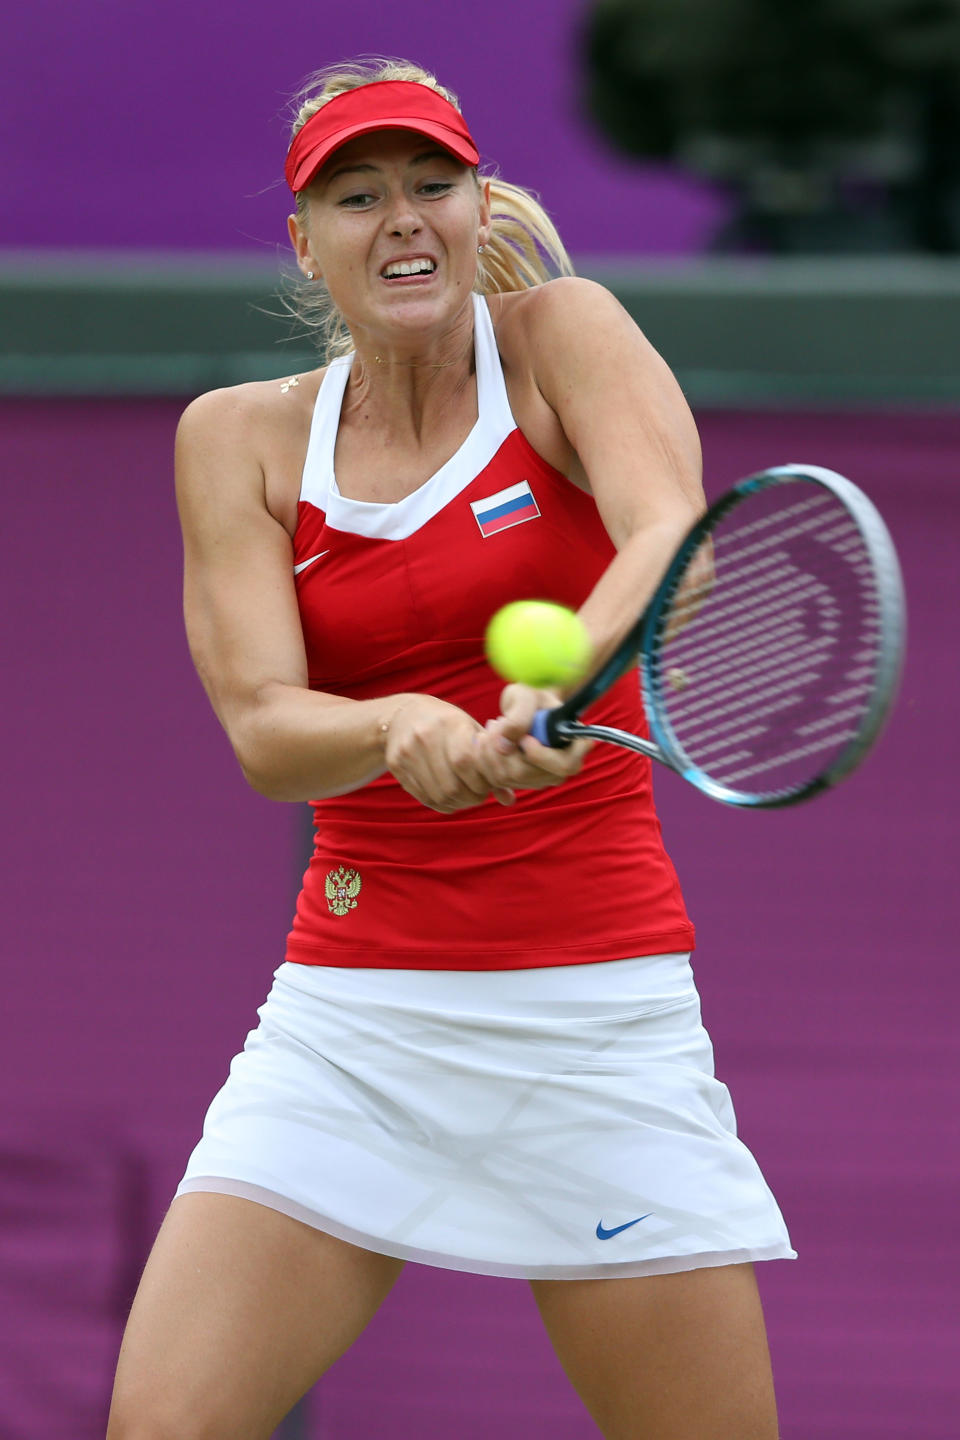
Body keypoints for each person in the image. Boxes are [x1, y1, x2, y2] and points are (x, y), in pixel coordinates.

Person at [107, 58, 795, 1440]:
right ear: (306, 243)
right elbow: (264, 729)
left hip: (594, 1018)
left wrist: (558, 691)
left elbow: (675, 544)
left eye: (434, 183)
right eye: (357, 196)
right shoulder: (234, 441)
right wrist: (397, 724)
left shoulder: (564, 337)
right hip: (351, 1024)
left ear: (481, 205)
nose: (402, 218)